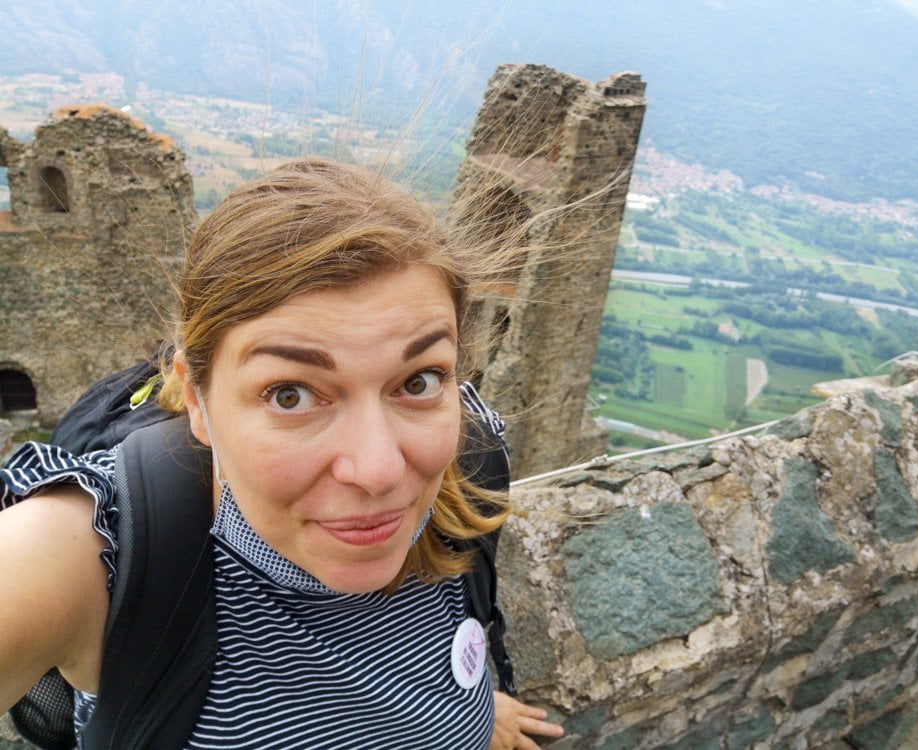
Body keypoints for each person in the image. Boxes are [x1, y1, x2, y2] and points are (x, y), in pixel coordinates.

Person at [0, 158, 564, 749]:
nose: (378, 472)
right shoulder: (102, 557)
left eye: (419, 381)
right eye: (290, 395)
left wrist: (468, 708)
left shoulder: (468, 474)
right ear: (197, 396)